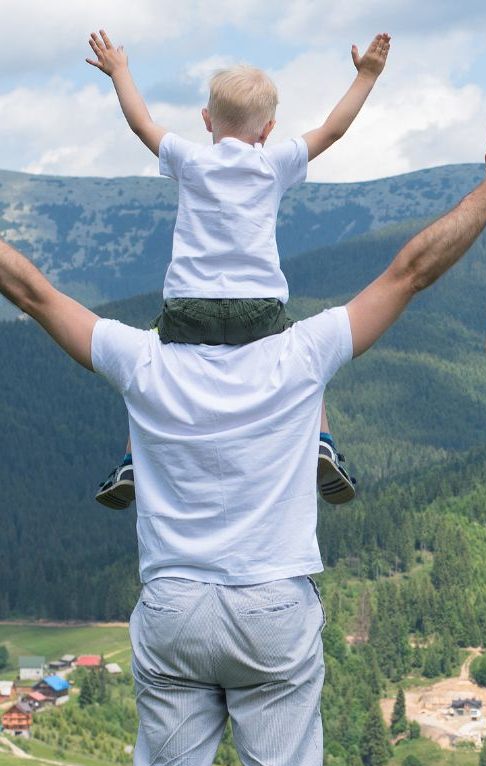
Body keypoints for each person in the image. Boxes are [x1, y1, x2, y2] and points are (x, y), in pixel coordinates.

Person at [0, 118, 486, 766]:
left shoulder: (144, 361)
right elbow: (414, 268)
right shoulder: (301, 355)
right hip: (272, 608)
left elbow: (28, 285)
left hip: (174, 604)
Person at [86, 28, 392, 509]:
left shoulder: (189, 161)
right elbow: (333, 129)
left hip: (188, 308)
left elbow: (140, 122)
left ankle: (131, 458)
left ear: (206, 120)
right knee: (305, 361)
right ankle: (322, 443)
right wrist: (367, 76)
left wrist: (120, 71)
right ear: (268, 130)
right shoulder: (274, 162)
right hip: (259, 309)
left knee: (146, 366)